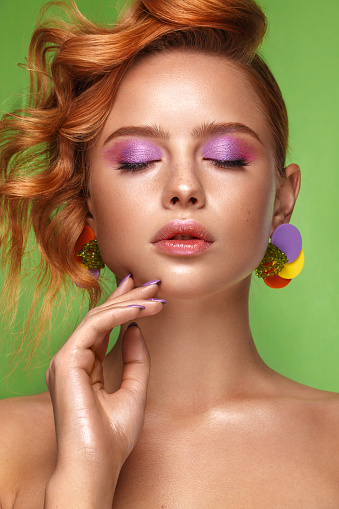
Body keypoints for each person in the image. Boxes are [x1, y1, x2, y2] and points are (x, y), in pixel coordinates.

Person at [0, 0, 338, 507]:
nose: (183, 187)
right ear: (88, 201)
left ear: (283, 199)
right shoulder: (8, 446)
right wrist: (82, 481)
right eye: (138, 160)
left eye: (225, 157)